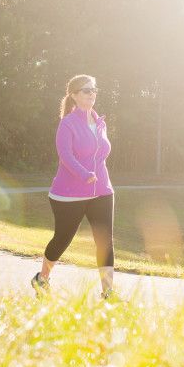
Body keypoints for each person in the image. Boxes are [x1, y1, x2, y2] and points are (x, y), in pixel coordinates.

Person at [32, 74, 117, 299]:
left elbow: (101, 154)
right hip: (69, 194)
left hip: (102, 191)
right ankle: (42, 279)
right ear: (74, 95)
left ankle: (108, 293)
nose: (92, 94)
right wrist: (84, 174)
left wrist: (98, 178)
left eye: (94, 89)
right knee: (63, 239)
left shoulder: (100, 123)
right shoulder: (67, 123)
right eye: (86, 90)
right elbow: (65, 156)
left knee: (105, 241)